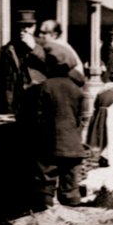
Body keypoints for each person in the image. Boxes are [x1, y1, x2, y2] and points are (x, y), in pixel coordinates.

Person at [27, 43, 87, 209]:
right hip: (73, 146)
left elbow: (37, 118)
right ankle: (73, 215)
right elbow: (80, 118)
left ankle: (44, 218)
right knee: (70, 187)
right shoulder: (76, 88)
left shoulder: (45, 87)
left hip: (50, 145)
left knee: (45, 185)